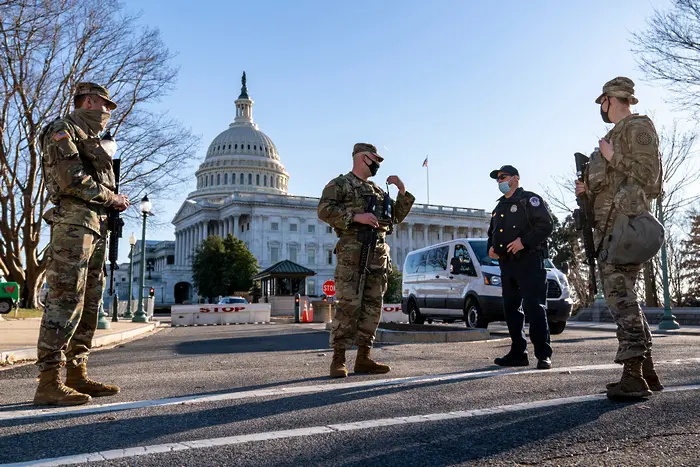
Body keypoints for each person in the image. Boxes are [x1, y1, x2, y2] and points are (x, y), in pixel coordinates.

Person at [34, 82, 130, 406]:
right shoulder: (63, 131)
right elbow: (72, 179)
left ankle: (77, 373)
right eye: (105, 105)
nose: (107, 112)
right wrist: (112, 197)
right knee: (65, 301)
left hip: (95, 226)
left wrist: (109, 205)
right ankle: (48, 382)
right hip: (74, 226)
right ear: (88, 101)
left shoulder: (93, 140)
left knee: (89, 304)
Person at [576, 76, 664, 400]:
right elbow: (607, 184)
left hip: (625, 227)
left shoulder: (638, 126)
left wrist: (614, 158)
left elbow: (649, 175)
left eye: (603, 102)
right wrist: (587, 189)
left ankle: (633, 376)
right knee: (625, 296)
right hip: (607, 230)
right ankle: (646, 371)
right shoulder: (610, 138)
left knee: (619, 297)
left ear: (613, 99)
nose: (601, 108)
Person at [318, 143, 415, 378]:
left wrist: (402, 192)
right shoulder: (341, 184)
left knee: (373, 307)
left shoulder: (379, 191)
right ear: (362, 158)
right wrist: (356, 217)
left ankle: (364, 358)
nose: (378, 165)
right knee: (349, 305)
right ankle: (338, 359)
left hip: (378, 254)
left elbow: (394, 218)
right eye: (375, 159)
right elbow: (323, 210)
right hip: (353, 252)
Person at [487, 165, 554, 370]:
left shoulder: (529, 200)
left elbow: (546, 225)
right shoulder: (499, 207)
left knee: (534, 307)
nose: (500, 181)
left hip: (529, 261)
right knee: (511, 310)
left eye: (503, 177)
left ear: (515, 178)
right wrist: (491, 247)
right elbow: (493, 232)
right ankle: (518, 352)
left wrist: (523, 242)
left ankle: (543, 354)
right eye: (497, 178)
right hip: (507, 264)